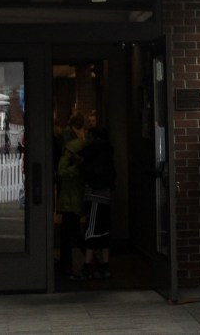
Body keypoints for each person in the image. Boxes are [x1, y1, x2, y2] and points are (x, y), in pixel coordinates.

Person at [76, 126, 116, 280]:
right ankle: (105, 266)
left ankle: (87, 268)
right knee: (104, 230)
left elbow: (86, 171)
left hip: (94, 196)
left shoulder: (92, 152)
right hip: (105, 196)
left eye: (89, 136)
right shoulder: (108, 152)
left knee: (91, 230)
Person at [56, 115, 86, 279]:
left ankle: (73, 265)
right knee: (71, 234)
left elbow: (61, 172)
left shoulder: (72, 164)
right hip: (73, 202)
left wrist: (67, 160)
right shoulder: (81, 144)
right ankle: (79, 263)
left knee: (69, 235)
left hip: (70, 203)